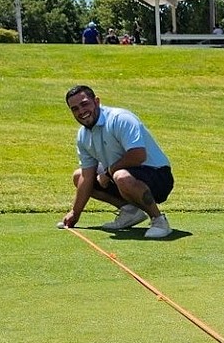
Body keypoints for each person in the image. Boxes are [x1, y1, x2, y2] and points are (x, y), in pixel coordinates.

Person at [59, 85, 176, 239]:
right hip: (124, 177)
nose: (81, 111)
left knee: (121, 176)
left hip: (158, 176)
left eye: (84, 104)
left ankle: (159, 221)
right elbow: (87, 177)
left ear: (97, 101)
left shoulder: (120, 118)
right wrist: (75, 212)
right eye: (75, 109)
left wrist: (108, 173)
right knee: (79, 176)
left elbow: (138, 155)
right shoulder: (83, 136)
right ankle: (130, 212)